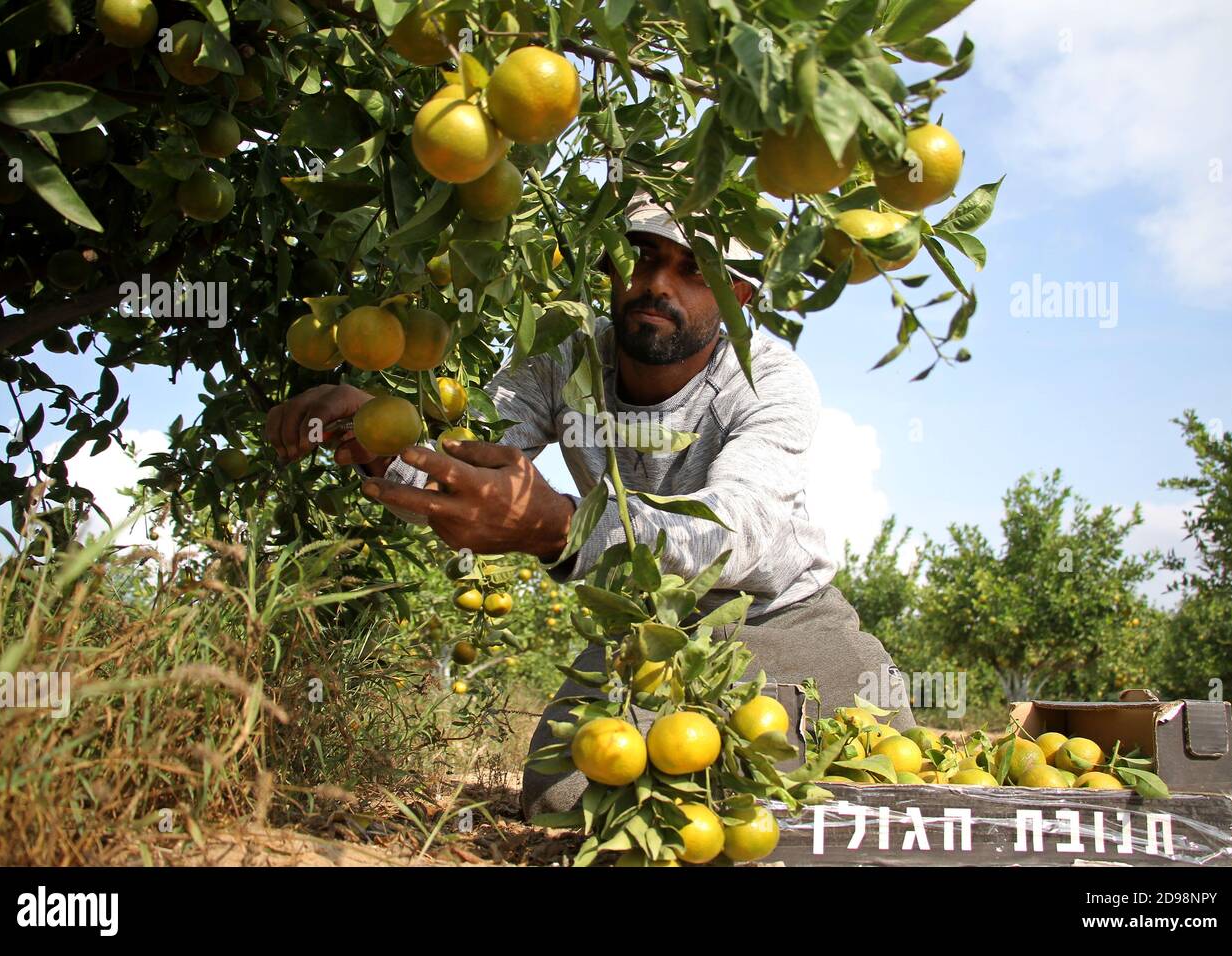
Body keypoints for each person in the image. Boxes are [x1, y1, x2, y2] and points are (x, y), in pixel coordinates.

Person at [264, 194, 915, 820]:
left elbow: (730, 533)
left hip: (781, 618)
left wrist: (564, 529)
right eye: (643, 257)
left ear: (736, 296)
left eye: (694, 270)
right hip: (643, 628)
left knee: (855, 797)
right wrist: (382, 438)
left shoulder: (768, 379)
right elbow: (473, 468)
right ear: (609, 264)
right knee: (565, 801)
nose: (658, 284)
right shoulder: (561, 360)